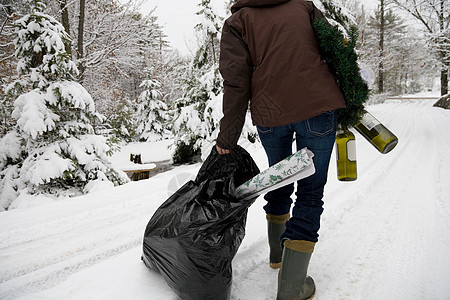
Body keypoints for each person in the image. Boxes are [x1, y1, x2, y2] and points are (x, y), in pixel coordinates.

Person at [215, 0, 346, 299]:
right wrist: (350, 96)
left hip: (270, 114)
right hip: (318, 106)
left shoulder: (238, 22)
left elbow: (235, 82)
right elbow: (336, 52)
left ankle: (277, 254)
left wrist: (228, 137)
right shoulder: (304, 7)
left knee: (279, 177)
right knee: (310, 192)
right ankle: (292, 285)